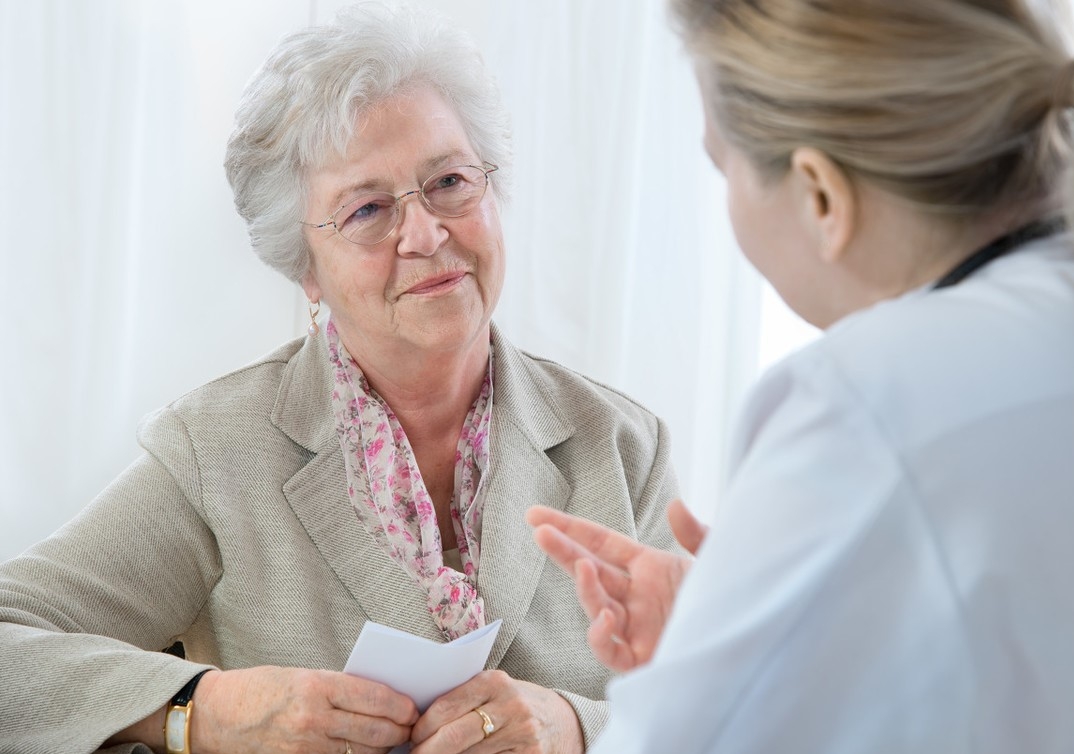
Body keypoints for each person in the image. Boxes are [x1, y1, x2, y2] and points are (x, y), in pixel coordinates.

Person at [0, 4, 681, 754]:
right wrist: (204, 712)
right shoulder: (218, 451)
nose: (425, 235)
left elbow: (719, 704)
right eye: (367, 210)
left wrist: (578, 726)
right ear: (307, 270)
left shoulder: (620, 446)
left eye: (450, 181)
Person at [529, 0, 1074, 751]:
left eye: (724, 166)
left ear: (820, 194)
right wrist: (780, 640)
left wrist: (729, 661)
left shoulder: (863, 401)